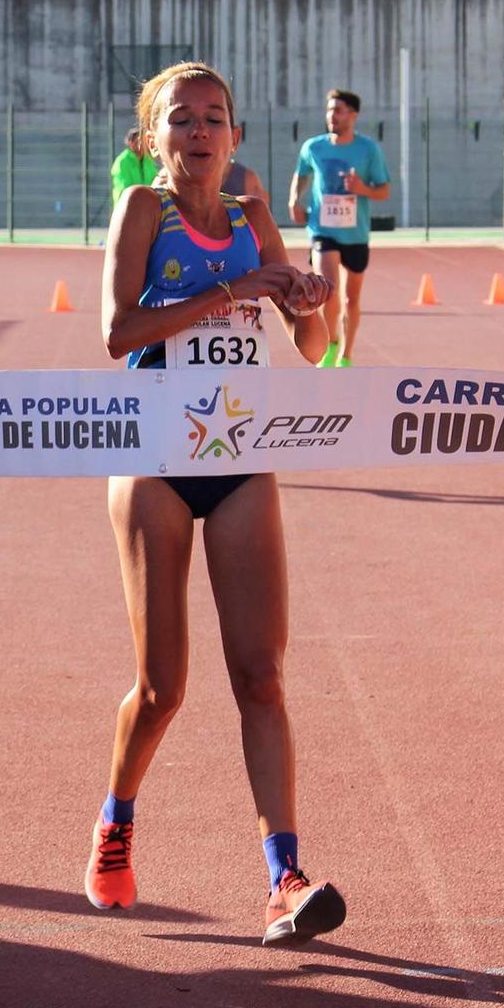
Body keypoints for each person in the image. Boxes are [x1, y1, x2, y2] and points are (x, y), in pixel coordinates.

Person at [89, 60, 347, 949]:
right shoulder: (142, 213)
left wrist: (312, 294)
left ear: (236, 137)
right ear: (152, 139)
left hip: (240, 456)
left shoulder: (253, 218)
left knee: (262, 677)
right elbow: (117, 333)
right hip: (155, 455)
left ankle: (285, 877)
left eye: (215, 117)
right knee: (164, 689)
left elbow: (314, 350)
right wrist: (228, 294)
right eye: (181, 118)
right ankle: (117, 818)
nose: (199, 131)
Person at [288, 89, 389, 368]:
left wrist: (361, 188)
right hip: (323, 229)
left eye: (339, 110)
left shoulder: (368, 150)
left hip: (355, 233)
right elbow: (302, 175)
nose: (332, 116)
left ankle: (347, 354)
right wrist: (294, 198)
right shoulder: (314, 147)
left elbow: (384, 191)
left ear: (353, 115)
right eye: (330, 110)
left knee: (350, 298)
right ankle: (331, 344)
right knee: (329, 289)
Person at [108, 126, 157, 206]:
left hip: (147, 208)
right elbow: (124, 188)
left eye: (143, 141)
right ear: (130, 143)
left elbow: (155, 181)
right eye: (138, 141)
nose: (141, 144)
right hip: (128, 207)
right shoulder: (122, 161)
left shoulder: (148, 160)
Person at [223, 122, 266, 206]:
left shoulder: (248, 179)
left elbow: (257, 217)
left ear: (234, 138)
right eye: (188, 120)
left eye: (213, 121)